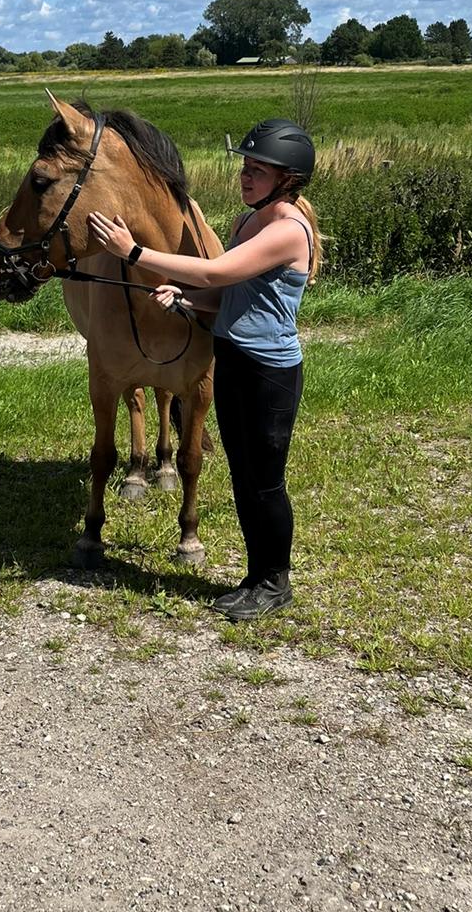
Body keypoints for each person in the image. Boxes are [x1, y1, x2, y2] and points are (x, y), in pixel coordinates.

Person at [88, 118, 321, 622]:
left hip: (268, 373)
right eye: (245, 165)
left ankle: (274, 581)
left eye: (258, 168)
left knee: (265, 482)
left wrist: (132, 252)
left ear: (288, 178)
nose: (246, 174)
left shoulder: (288, 231)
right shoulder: (246, 223)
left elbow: (216, 270)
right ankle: (256, 576)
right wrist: (188, 301)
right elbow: (223, 291)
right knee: (242, 476)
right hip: (232, 358)